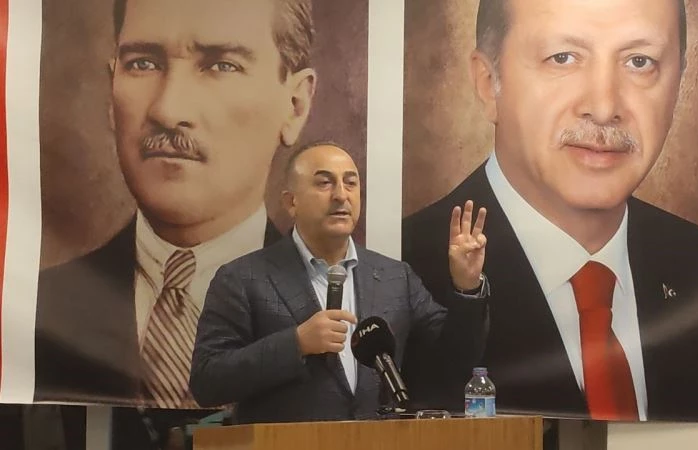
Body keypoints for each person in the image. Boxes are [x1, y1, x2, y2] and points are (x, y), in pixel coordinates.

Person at [401, 0, 698, 422]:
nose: (603, 107)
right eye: (562, 58)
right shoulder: (403, 272)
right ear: (488, 83)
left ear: (679, 83)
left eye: (639, 62)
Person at [34, 0, 319, 445]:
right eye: (142, 63)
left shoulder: (325, 306)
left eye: (222, 65)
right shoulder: (40, 310)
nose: (168, 110)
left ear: (295, 105)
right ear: (111, 89)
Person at [189, 143, 490, 423]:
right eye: (324, 183)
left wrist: (467, 287)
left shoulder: (395, 277)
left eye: (350, 183)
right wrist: (296, 343)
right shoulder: (242, 278)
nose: (341, 195)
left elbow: (456, 359)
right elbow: (207, 381)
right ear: (291, 202)